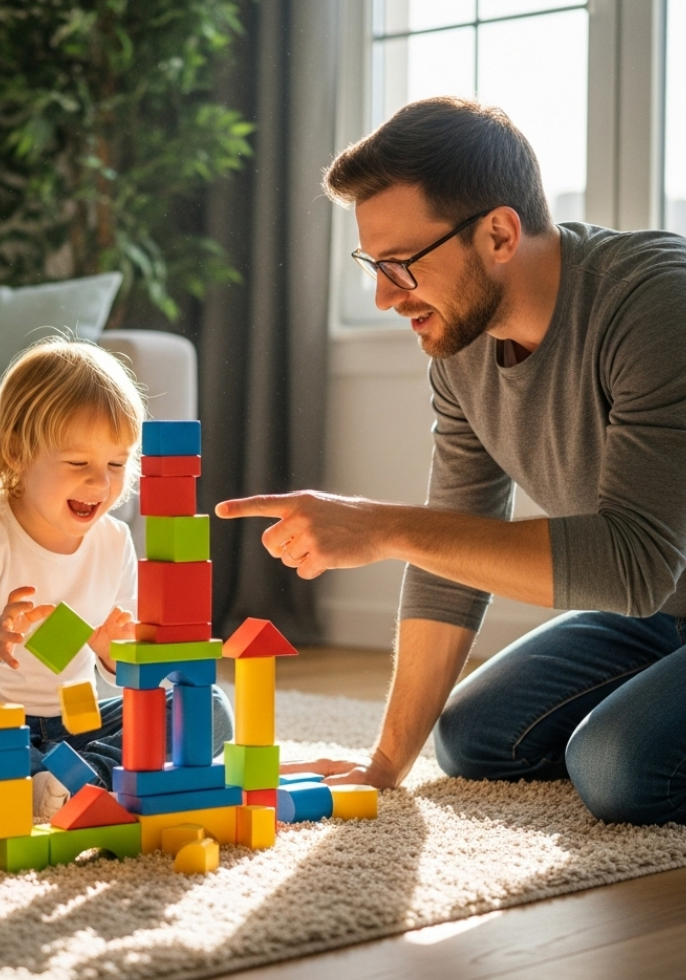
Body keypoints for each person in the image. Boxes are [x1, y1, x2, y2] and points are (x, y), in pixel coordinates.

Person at [217, 96, 686, 826]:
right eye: (374, 265)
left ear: (499, 232)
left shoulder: (657, 303)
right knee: (473, 739)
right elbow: (454, 546)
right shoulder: (463, 349)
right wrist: (383, 764)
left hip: (652, 585)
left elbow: (633, 562)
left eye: (401, 265)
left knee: (619, 766)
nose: (382, 297)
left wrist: (381, 527)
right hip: (664, 614)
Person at [0, 338, 233, 816]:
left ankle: (87, 775)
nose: (100, 483)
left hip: (71, 722)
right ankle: (43, 776)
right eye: (79, 463)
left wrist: (112, 655)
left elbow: (126, 667)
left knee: (205, 708)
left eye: (117, 465)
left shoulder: (115, 541)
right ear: (18, 453)